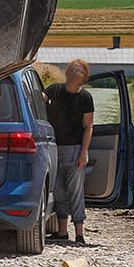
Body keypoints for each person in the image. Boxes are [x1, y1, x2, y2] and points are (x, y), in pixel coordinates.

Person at [45, 59, 94, 244]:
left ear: (85, 77)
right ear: (66, 72)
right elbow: (36, 102)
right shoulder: (53, 90)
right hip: (53, 148)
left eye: (80, 71)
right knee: (58, 192)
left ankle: (79, 234)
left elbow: (88, 126)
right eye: (73, 69)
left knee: (76, 192)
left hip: (75, 150)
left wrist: (83, 153)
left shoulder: (86, 98)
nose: (75, 72)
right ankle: (62, 232)